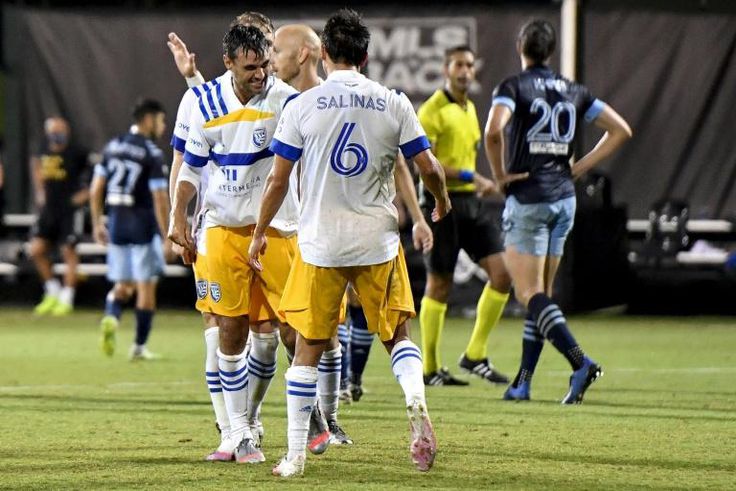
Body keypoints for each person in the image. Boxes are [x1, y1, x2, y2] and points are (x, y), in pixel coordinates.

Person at [248, 8, 450, 477]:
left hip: (320, 244)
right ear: (365, 54)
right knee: (397, 335)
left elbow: (278, 181)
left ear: (325, 52)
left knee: (307, 349)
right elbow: (428, 168)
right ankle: (415, 402)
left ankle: (296, 455)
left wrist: (259, 233)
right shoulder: (393, 101)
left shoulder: (302, 107)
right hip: (377, 241)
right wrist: (438, 201)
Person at [168, 24, 298, 465]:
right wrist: (177, 215)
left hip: (277, 229)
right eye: (250, 68)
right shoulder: (201, 102)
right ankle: (238, 432)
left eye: (264, 64)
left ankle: (291, 416)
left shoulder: (286, 100)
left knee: (289, 333)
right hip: (222, 228)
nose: (261, 74)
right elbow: (188, 169)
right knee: (227, 329)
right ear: (228, 63)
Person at [485, 19, 631, 403]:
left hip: (530, 198)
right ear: (551, 51)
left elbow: (493, 132)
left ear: (521, 45)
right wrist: (579, 167)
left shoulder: (513, 87)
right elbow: (620, 130)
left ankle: (580, 362)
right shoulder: (573, 89)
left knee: (528, 293)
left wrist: (500, 176)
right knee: (543, 293)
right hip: (564, 198)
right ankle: (523, 382)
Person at [417, 45, 515, 387]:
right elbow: (425, 163)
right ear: (446, 69)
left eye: (470, 65)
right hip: (441, 204)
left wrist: (478, 183)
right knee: (439, 284)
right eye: (459, 64)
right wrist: (473, 177)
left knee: (502, 275)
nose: (465, 71)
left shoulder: (471, 108)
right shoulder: (432, 110)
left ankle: (475, 354)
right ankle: (429, 369)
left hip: (470, 205)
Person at [91, 99, 172, 360]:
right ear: (148, 119)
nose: (163, 126)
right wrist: (169, 234)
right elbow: (159, 197)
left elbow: (96, 188)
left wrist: (96, 222)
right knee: (146, 288)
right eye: (160, 120)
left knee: (123, 286)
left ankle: (112, 316)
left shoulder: (113, 146)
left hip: (116, 223)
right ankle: (138, 346)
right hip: (142, 224)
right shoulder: (151, 153)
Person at [29, 117, 90, 316]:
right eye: (54, 130)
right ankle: (52, 291)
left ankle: (67, 297)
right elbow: (35, 163)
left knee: (68, 251)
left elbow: (97, 173)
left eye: (61, 129)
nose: (58, 133)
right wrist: (40, 191)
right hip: (49, 210)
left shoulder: (77, 152)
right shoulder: (43, 149)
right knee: (36, 249)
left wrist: (85, 194)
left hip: (69, 210)